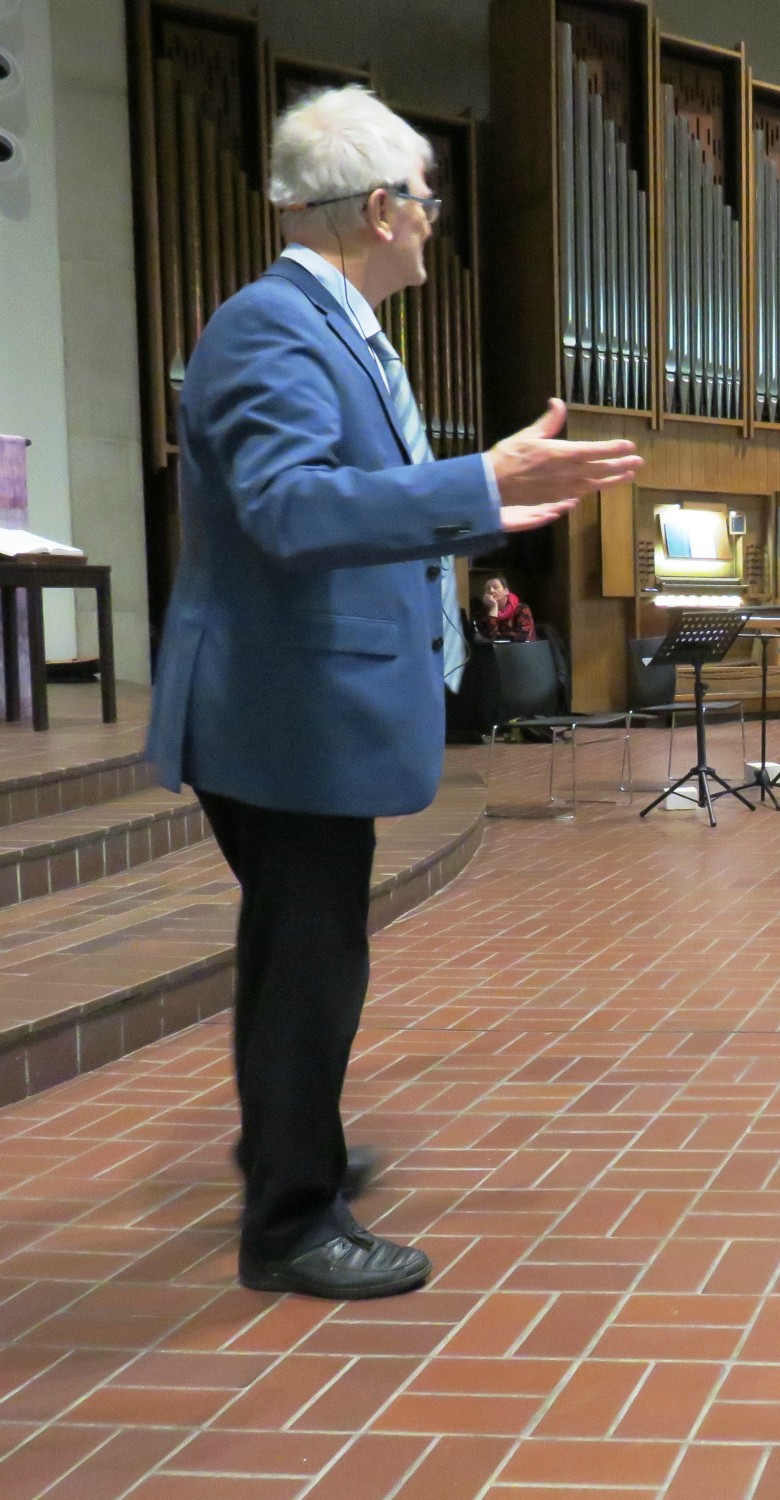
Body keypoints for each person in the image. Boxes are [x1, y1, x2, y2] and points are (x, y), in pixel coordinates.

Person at [143, 86, 641, 1300]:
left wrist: (468, 504)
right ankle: (291, 1222)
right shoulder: (270, 329)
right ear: (376, 209)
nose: (431, 221)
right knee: (309, 961)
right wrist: (475, 479)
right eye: (423, 199)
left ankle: (285, 1147)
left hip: (306, 703)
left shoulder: (337, 325)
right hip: (282, 711)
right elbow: (290, 508)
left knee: (304, 954)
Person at [473, 574, 535, 643]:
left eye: (495, 587)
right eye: (488, 589)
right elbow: (488, 636)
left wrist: (499, 636)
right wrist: (493, 608)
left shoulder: (522, 609)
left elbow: (523, 636)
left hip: (523, 650)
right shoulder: (483, 612)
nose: (491, 591)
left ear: (506, 591)